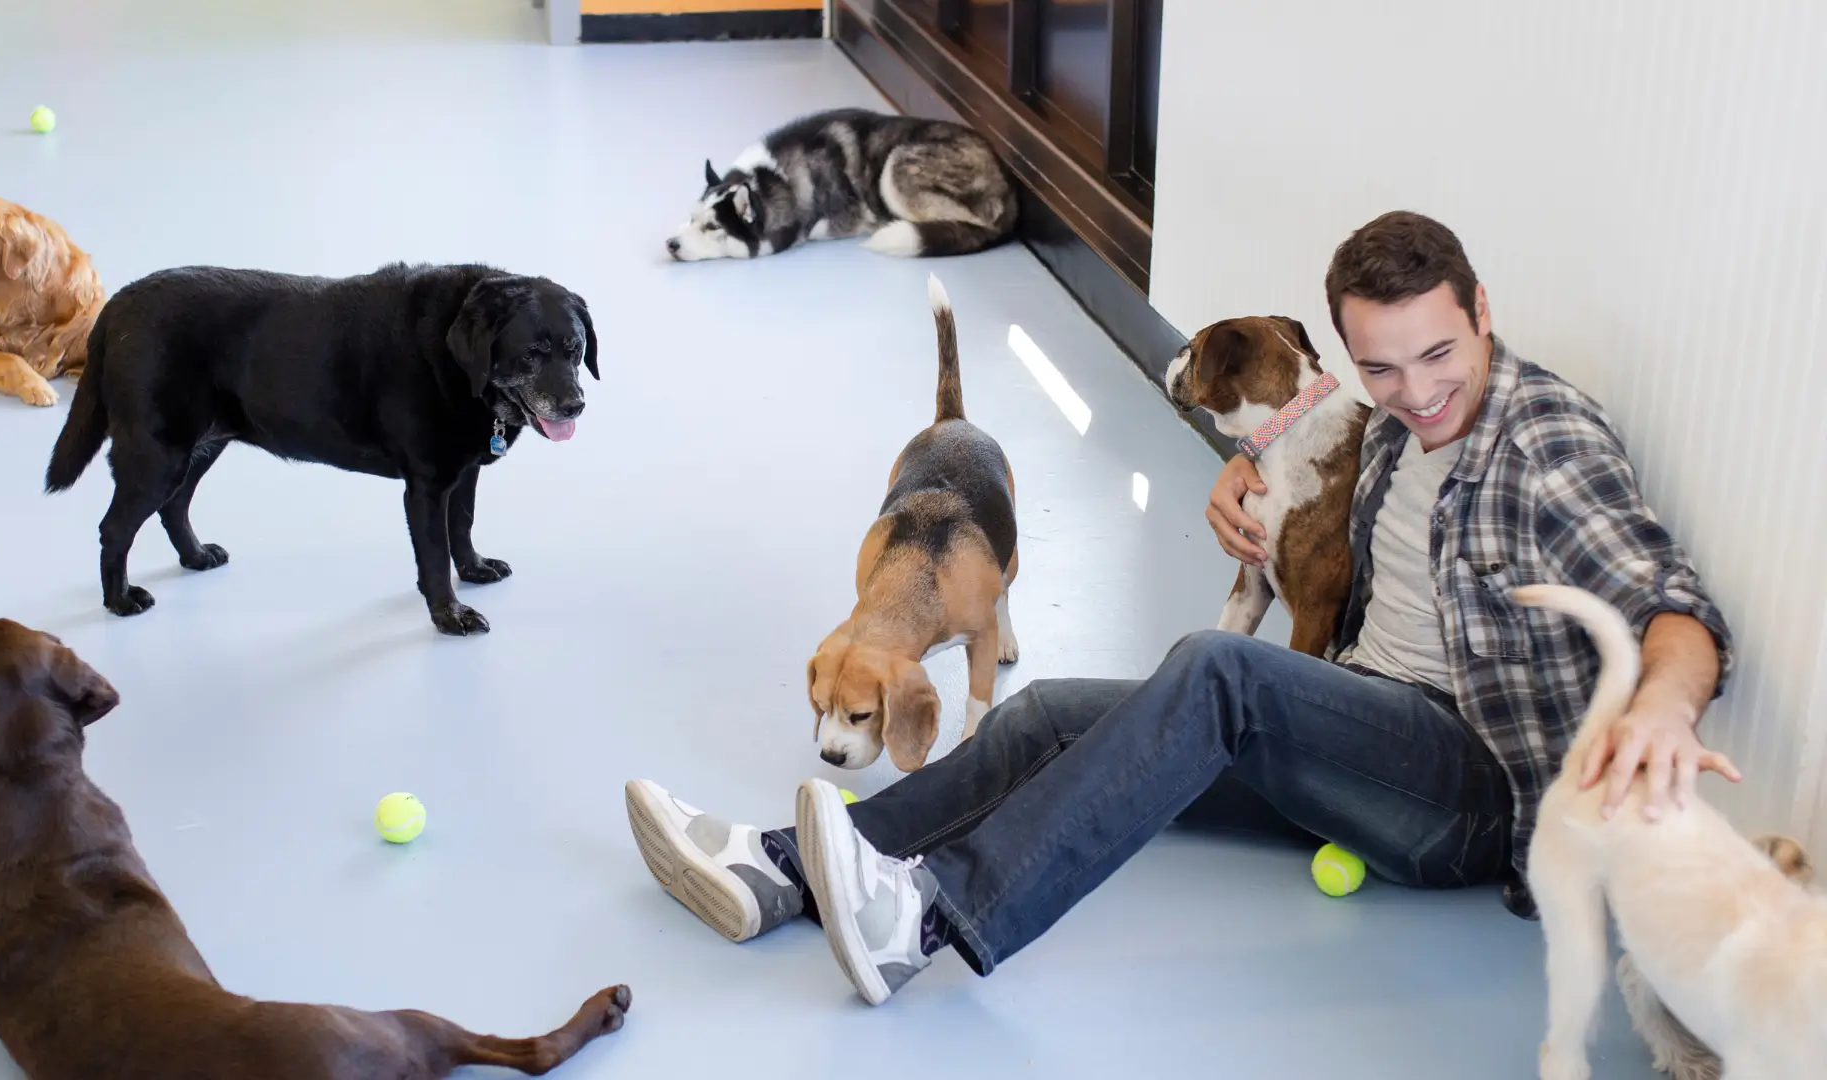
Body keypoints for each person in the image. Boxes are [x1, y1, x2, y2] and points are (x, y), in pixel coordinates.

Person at [622, 210, 1739, 1006]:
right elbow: (1315, 499)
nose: (1415, 391)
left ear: (1484, 310)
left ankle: (924, 917)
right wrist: (1236, 471)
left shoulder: (1544, 438)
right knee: (1056, 708)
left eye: (1440, 353)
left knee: (1216, 665)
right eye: (1383, 367)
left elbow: (1672, 605)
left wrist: (1664, 709)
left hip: (1470, 792)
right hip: (1355, 727)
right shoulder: (1390, 427)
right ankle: (788, 869)